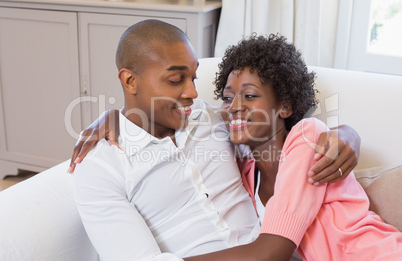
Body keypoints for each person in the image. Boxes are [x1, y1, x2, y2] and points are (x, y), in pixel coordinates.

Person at [72, 20, 361, 260]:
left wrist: (346, 134)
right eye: (176, 81)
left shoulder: (209, 119)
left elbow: (272, 127)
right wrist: (116, 117)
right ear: (130, 81)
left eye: (193, 79)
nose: (192, 93)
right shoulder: (100, 168)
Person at [181, 34, 402, 260]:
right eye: (227, 97)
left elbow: (270, 252)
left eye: (249, 95)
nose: (234, 107)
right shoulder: (244, 172)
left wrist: (349, 133)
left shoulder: (307, 137)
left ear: (285, 107)